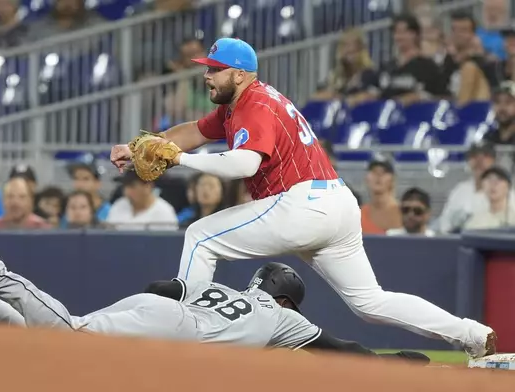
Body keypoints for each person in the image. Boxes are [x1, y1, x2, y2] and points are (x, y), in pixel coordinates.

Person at [109, 37, 496, 358]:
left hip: (302, 203)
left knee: (200, 236)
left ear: (240, 74)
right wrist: (138, 145)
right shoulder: (239, 105)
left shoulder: (255, 104)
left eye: (214, 69)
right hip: (334, 203)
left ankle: (187, 340)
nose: (207, 76)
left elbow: (244, 164)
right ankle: (473, 334)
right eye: (207, 68)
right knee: (371, 303)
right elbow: (194, 129)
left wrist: (183, 160)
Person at [0, 241, 429, 364]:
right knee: (69, 338)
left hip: (166, 308)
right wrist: (399, 362)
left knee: (61, 337)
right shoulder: (282, 319)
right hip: (183, 333)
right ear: (288, 299)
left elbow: (160, 287)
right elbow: (341, 347)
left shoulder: (223, 287)